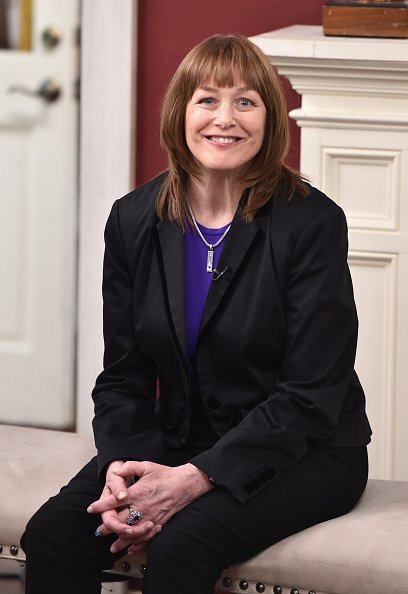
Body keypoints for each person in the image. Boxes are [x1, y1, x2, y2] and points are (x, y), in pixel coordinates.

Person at [22, 33, 372, 594]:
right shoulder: (133, 220)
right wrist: (123, 468)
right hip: (180, 437)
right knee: (55, 536)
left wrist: (194, 480)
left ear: (269, 119)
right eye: (207, 99)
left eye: (245, 101)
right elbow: (124, 377)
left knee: (183, 544)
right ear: (180, 113)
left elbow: (310, 394)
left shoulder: (312, 223)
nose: (224, 119)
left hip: (306, 451)